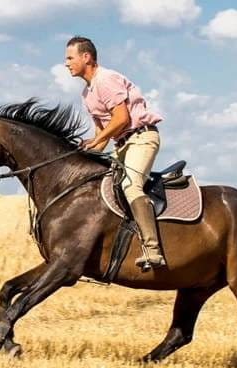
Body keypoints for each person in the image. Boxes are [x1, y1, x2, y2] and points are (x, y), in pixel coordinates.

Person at [64, 36, 166, 272]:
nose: (66, 63)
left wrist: (97, 139)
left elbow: (121, 118)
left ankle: (152, 249)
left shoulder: (105, 79)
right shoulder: (87, 93)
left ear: (86, 57)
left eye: (70, 58)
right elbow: (101, 134)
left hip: (141, 138)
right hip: (121, 144)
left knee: (131, 186)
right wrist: (84, 152)